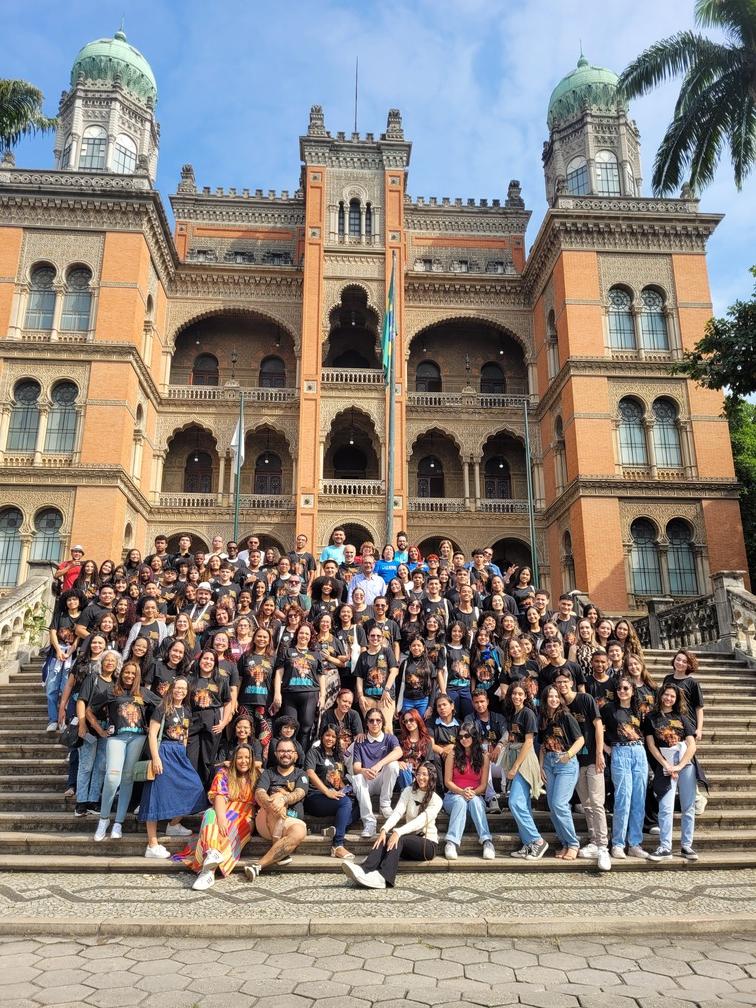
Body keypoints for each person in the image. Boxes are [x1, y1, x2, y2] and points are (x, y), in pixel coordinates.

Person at [343, 761, 442, 889]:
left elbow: (420, 822)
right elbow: (397, 812)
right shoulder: (408, 791)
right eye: (418, 774)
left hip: (427, 845)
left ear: (432, 777)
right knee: (386, 838)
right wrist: (384, 830)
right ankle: (364, 869)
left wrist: (397, 832)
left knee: (398, 838)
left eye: (425, 774)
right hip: (409, 841)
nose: (420, 777)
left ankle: (384, 878)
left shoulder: (436, 800)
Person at [139, 677, 207, 858]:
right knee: (154, 795)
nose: (180, 691)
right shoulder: (162, 707)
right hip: (163, 751)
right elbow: (152, 735)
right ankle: (152, 845)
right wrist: (156, 758)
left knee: (196, 788)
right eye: (178, 687)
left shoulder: (185, 710)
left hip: (179, 753)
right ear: (171, 689)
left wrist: (183, 752)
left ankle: (173, 824)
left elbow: (184, 734)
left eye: (184, 688)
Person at [553, 668, 611, 871]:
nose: (562, 685)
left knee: (597, 802)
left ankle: (603, 845)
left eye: (564, 681)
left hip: (593, 757)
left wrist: (599, 753)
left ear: (571, 681)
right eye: (558, 682)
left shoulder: (585, 699)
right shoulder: (560, 706)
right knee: (586, 803)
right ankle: (594, 840)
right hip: (575, 761)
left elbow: (597, 726)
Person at [185, 743, 258, 891]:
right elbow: (219, 796)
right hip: (224, 808)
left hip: (245, 815)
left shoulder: (258, 775)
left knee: (230, 828)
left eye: (247, 757)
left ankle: (207, 871)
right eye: (239, 757)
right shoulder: (224, 773)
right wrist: (221, 817)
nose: (243, 761)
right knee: (210, 814)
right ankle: (212, 854)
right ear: (233, 759)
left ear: (252, 759)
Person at [94, 660, 151, 841]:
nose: (129, 676)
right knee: (112, 778)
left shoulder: (143, 693)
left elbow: (162, 706)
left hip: (138, 738)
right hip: (116, 738)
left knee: (127, 779)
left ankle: (118, 822)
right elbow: (89, 708)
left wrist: (152, 726)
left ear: (137, 676)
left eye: (133, 674)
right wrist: (100, 730)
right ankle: (103, 820)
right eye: (127, 672)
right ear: (122, 673)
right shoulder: (112, 691)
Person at [644, 683, 699, 862]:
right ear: (661, 696)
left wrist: (679, 766)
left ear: (676, 700)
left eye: (672, 696)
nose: (669, 698)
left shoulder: (682, 718)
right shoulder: (651, 717)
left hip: (685, 764)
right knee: (665, 807)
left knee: (688, 807)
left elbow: (692, 745)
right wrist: (666, 765)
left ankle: (686, 845)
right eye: (666, 695)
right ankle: (665, 846)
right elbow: (651, 746)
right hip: (664, 764)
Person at [244, 737, 310, 880]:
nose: (285, 754)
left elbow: (300, 793)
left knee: (300, 831)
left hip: (291, 820)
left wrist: (283, 799)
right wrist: (273, 803)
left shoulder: (301, 774)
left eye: (289, 751)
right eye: (281, 751)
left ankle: (258, 865)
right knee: (273, 798)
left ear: (295, 754)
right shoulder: (268, 773)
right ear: (275, 754)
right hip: (267, 820)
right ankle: (278, 847)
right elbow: (259, 793)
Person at [602, 675, 650, 861]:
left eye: (625, 688)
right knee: (623, 798)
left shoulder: (640, 710)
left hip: (638, 751)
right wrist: (607, 749)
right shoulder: (609, 709)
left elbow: (647, 733)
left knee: (639, 798)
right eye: (619, 688)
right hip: (619, 752)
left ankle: (635, 843)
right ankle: (618, 843)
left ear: (632, 690)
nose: (622, 691)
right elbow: (596, 728)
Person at [501, 682, 548, 860]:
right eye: (514, 693)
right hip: (515, 755)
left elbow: (529, 742)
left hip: (525, 759)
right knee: (524, 806)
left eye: (521, 694)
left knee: (515, 802)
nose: (517, 697)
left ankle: (537, 841)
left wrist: (514, 767)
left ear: (526, 696)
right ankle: (528, 844)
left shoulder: (528, 713)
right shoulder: (513, 713)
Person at [538, 684, 584, 860]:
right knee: (552, 806)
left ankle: (573, 843)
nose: (554, 699)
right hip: (549, 763)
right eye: (550, 696)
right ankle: (565, 844)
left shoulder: (566, 716)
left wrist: (568, 755)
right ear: (545, 699)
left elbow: (580, 740)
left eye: (557, 696)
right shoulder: (543, 718)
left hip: (566, 763)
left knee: (559, 804)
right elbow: (543, 745)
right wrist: (541, 766)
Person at [442, 725, 495, 860]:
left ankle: (487, 841)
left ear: (474, 737)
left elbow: (483, 785)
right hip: (453, 796)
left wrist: (472, 793)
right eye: (460, 737)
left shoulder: (484, 757)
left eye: (467, 736)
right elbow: (447, 781)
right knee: (460, 800)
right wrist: (461, 792)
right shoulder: (453, 754)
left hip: (474, 796)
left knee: (476, 801)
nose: (463, 739)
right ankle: (451, 842)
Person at [303, 724, 356, 860]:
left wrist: (346, 789)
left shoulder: (337, 756)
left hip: (332, 796)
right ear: (321, 736)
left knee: (359, 804)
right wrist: (327, 791)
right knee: (345, 803)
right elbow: (309, 773)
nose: (330, 739)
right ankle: (337, 845)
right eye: (327, 735)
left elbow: (337, 779)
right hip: (315, 797)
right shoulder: (314, 752)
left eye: (333, 736)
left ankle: (333, 829)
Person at [350, 707, 402, 838]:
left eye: (378, 720)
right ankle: (369, 823)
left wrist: (379, 764)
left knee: (394, 765)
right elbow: (356, 767)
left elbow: (399, 752)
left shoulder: (390, 738)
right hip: (367, 782)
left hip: (382, 781)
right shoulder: (360, 742)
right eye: (371, 720)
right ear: (366, 723)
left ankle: (385, 804)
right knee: (357, 778)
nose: (374, 723)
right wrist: (363, 770)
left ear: (382, 722)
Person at [272, 622, 324, 749]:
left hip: (310, 695)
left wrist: (323, 696)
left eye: (307, 633)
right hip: (290, 695)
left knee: (306, 728)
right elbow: (279, 673)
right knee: (290, 728)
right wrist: (277, 693)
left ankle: (301, 760)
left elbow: (321, 675)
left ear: (311, 636)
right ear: (297, 634)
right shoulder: (287, 651)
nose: (304, 636)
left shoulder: (316, 654)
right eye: (301, 632)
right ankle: (289, 757)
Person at [662, 649, 705, 741]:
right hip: (670, 722)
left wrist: (699, 729)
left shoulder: (692, 683)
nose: (680, 663)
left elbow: (699, 707)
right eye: (678, 659)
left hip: (687, 723)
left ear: (689, 665)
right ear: (674, 660)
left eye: (684, 662)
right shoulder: (667, 679)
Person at [397, 708, 435, 789]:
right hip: (404, 774)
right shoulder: (401, 740)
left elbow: (428, 763)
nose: (408, 723)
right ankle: (409, 793)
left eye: (411, 720)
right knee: (403, 770)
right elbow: (395, 757)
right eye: (405, 721)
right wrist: (398, 763)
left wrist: (418, 775)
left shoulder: (427, 740)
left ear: (417, 719)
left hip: (420, 775)